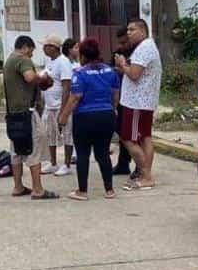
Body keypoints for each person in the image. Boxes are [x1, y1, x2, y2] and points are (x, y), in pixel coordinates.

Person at [59, 37, 120, 200]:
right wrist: (112, 110)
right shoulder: (110, 71)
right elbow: (115, 95)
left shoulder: (79, 74)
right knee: (103, 154)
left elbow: (75, 97)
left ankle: (82, 191)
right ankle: (109, 190)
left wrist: (63, 116)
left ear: (83, 56)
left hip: (85, 118)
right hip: (106, 116)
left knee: (83, 154)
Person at [3, 35, 59, 200]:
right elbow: (29, 77)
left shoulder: (9, 61)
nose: (32, 55)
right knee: (34, 147)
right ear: (26, 47)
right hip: (27, 113)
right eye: (32, 51)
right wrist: (43, 79)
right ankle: (37, 189)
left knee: (17, 150)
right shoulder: (23, 59)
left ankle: (18, 186)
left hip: (13, 113)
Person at [114, 18, 162, 190]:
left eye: (132, 29)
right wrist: (124, 67)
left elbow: (134, 74)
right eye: (127, 29)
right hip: (143, 101)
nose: (128, 33)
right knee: (144, 138)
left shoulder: (144, 48)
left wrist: (122, 64)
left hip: (137, 102)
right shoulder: (146, 47)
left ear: (142, 31)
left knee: (128, 138)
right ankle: (145, 175)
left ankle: (146, 175)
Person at [40, 35, 74, 177]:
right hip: (49, 105)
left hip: (61, 105)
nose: (43, 48)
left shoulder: (64, 62)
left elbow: (66, 86)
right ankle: (53, 162)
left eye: (46, 46)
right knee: (50, 135)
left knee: (67, 135)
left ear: (54, 47)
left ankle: (66, 164)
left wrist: (63, 110)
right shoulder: (49, 62)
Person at [111, 26, 136, 177]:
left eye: (124, 42)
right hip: (120, 95)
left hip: (134, 97)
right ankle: (123, 163)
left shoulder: (137, 53)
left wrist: (122, 68)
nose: (122, 46)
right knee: (121, 131)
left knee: (133, 133)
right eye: (119, 43)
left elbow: (135, 73)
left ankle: (139, 166)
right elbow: (112, 70)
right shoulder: (118, 53)